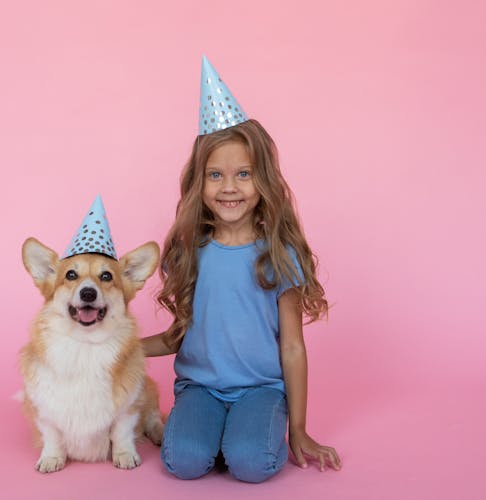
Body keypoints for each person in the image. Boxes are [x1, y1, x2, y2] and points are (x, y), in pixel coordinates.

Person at [141, 56, 341, 483]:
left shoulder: (279, 254)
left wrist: (300, 430)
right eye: (215, 174)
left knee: (251, 465)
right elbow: (181, 333)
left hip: (260, 389)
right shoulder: (190, 250)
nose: (229, 187)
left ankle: (255, 428)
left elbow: (291, 347)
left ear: (263, 180)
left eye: (243, 174)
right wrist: (118, 346)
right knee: (185, 464)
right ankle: (207, 429)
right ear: (200, 181)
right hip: (200, 387)